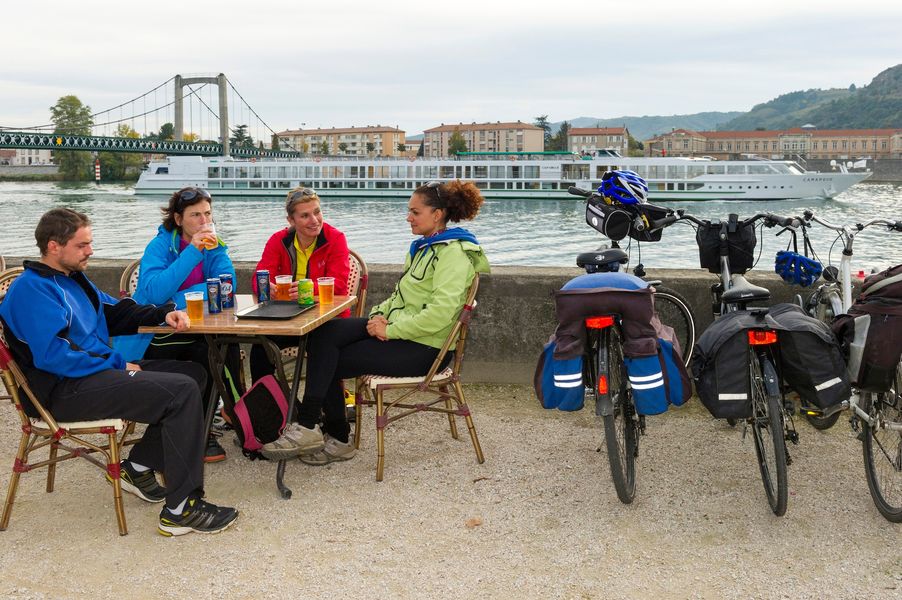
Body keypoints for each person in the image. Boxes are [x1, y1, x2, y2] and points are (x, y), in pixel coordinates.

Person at [0, 208, 238, 536]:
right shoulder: (31, 290)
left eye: (90, 243)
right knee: (180, 391)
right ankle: (181, 509)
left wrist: (163, 314)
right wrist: (116, 364)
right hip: (62, 391)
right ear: (54, 247)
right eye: (82, 245)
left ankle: (138, 466)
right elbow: (54, 356)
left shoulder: (71, 280)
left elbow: (114, 309)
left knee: (196, 374)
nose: (91, 251)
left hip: (91, 376)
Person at [261, 180, 490, 463]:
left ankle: (324, 431)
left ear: (438, 214)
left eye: (415, 212)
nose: (409, 217)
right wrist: (378, 315)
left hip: (425, 348)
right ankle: (317, 429)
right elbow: (401, 296)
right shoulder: (425, 247)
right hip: (401, 332)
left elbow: (440, 315)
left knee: (330, 357)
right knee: (325, 334)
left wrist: (390, 329)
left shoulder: (453, 254)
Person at [113, 186, 238, 463]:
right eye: (196, 215)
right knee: (205, 354)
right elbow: (155, 293)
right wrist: (193, 252)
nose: (204, 222)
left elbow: (228, 284)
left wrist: (182, 296)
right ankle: (206, 431)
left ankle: (232, 412)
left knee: (224, 343)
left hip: (191, 326)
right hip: (153, 335)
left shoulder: (215, 245)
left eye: (207, 214)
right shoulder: (159, 246)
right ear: (179, 219)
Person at [249, 186, 350, 383]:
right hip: (288, 318)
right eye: (305, 216)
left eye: (317, 212)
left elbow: (339, 285)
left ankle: (320, 411)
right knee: (260, 347)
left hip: (326, 320)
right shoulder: (278, 240)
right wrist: (265, 286)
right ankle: (270, 408)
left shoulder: (335, 238)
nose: (314, 220)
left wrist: (307, 288)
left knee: (322, 349)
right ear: (291, 221)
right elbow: (259, 275)